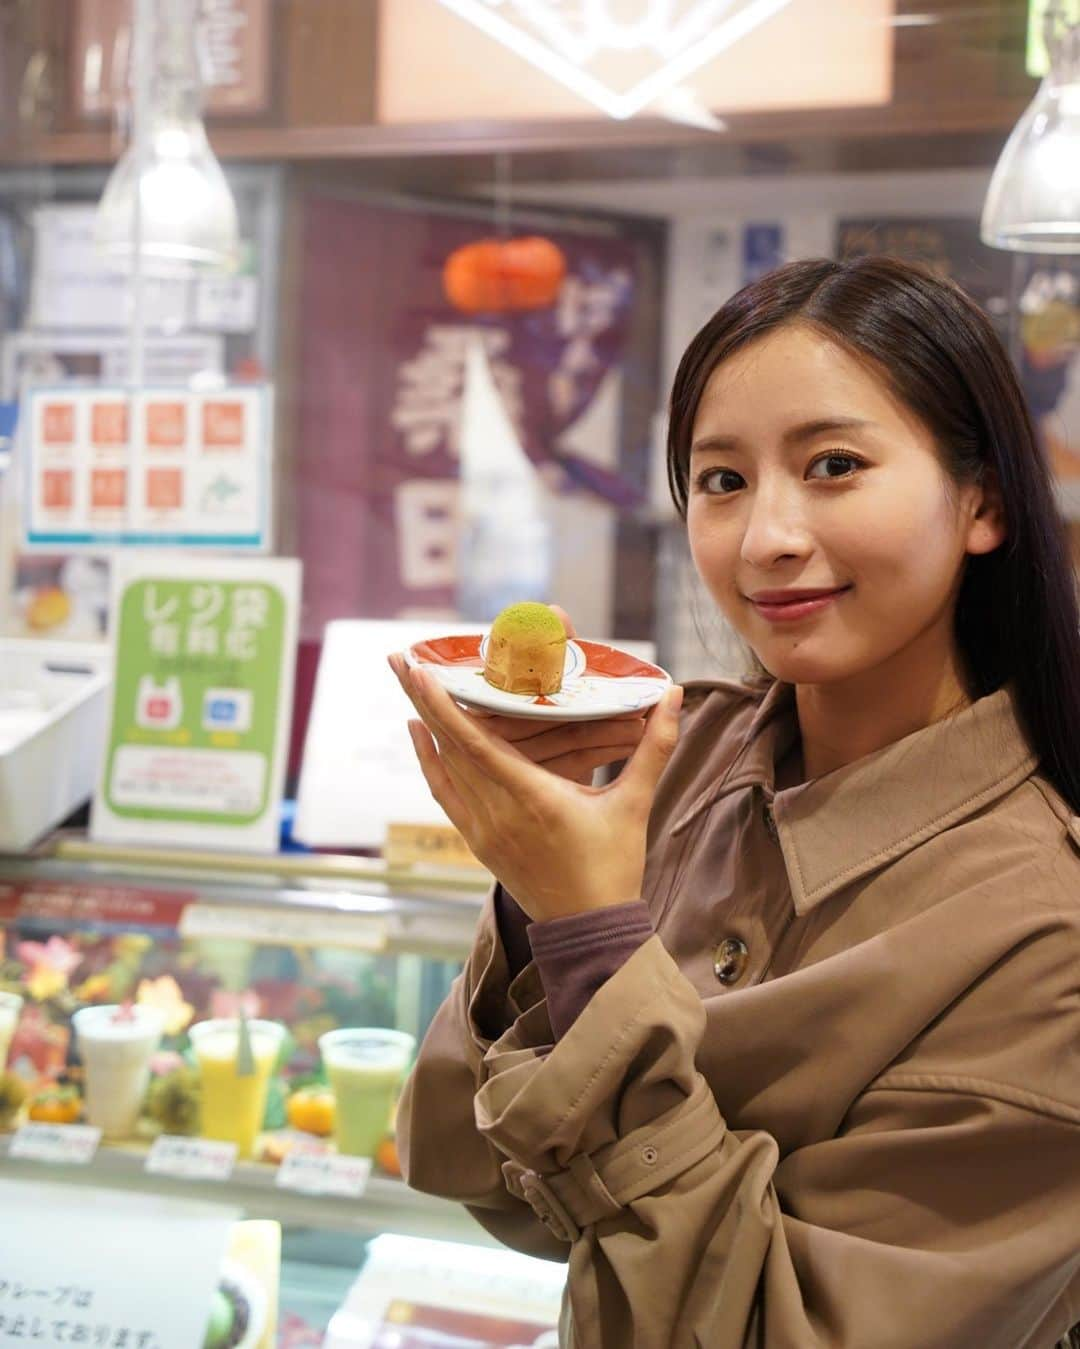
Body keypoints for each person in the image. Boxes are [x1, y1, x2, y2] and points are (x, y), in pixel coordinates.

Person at [388, 255, 1080, 1348]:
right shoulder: (680, 756)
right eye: (722, 481)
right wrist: (541, 891)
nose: (766, 538)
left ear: (984, 499)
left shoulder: (1048, 934)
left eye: (835, 464)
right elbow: (455, 1154)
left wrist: (593, 938)